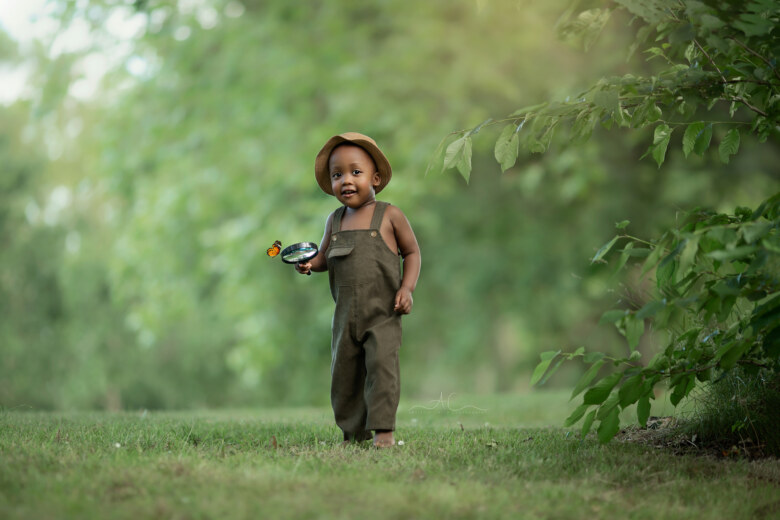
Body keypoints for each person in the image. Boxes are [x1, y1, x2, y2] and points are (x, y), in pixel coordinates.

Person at [295, 132, 421, 448]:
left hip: (383, 312)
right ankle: (352, 433)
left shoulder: (390, 215)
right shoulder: (334, 221)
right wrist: (310, 264)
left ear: (375, 177)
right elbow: (324, 257)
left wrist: (407, 288)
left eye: (355, 172)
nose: (346, 181)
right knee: (345, 374)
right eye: (337, 175)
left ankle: (383, 432)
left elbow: (413, 253)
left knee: (382, 369)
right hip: (344, 315)